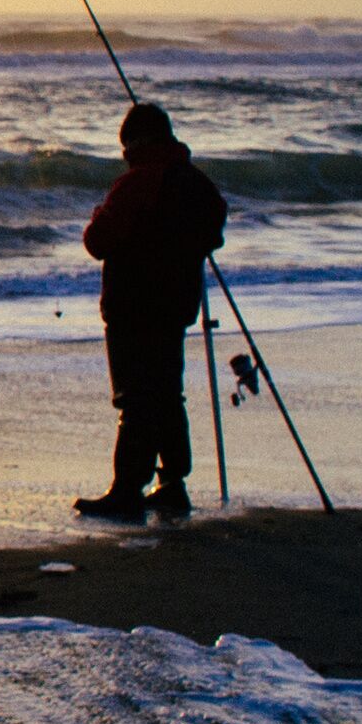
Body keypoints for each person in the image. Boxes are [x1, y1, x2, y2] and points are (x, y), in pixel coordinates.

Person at [75, 101, 227, 522]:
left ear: (140, 142)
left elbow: (98, 241)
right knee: (165, 395)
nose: (124, 156)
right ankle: (172, 483)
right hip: (176, 305)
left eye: (127, 147)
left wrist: (98, 216)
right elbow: (214, 232)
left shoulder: (139, 184)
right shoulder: (198, 184)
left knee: (136, 399)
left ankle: (127, 489)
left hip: (134, 307)